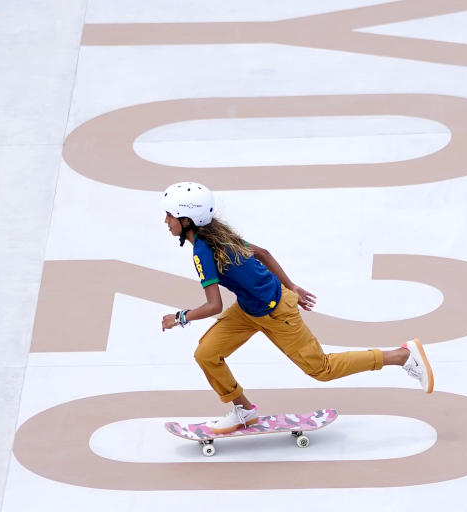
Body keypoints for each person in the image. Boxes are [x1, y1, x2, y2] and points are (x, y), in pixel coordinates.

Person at [160, 181, 434, 434]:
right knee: (207, 354)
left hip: (277, 313)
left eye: (170, 216)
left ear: (187, 220)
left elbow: (213, 305)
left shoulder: (202, 251)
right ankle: (243, 409)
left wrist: (180, 317)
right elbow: (262, 253)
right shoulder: (217, 234)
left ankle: (401, 356)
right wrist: (291, 286)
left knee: (322, 369)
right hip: (249, 310)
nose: (166, 221)